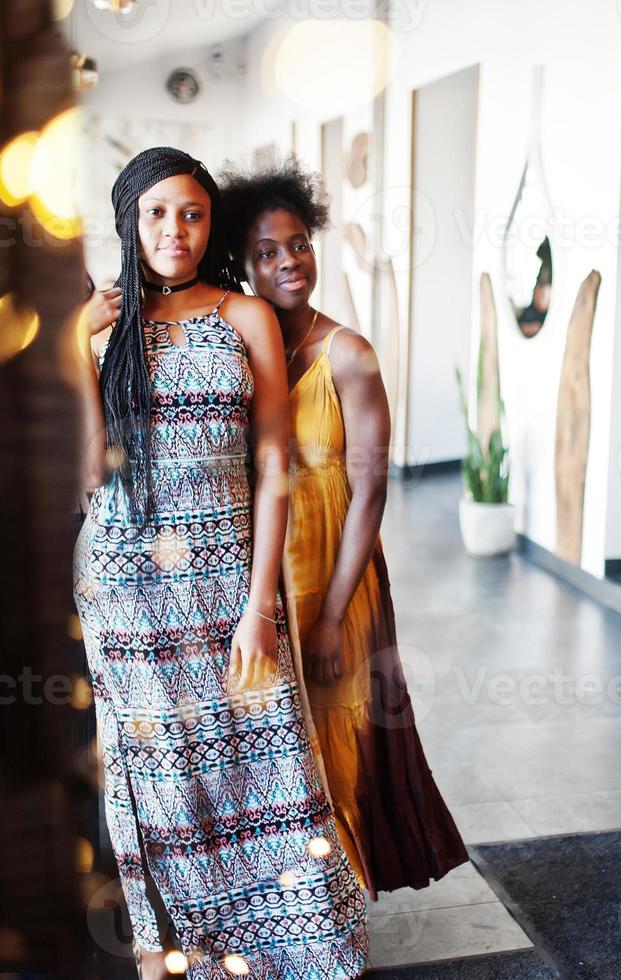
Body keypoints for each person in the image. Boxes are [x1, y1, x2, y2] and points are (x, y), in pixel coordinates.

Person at [71, 147, 367, 980]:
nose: (175, 229)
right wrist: (72, 343)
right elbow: (88, 472)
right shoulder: (101, 332)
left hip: (228, 579)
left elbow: (273, 465)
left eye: (192, 213)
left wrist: (258, 604)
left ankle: (300, 946)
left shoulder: (245, 318)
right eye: (158, 212)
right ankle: (195, 953)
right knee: (166, 775)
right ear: (131, 219)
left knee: (264, 752)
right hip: (127, 593)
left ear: (211, 225)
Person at [218, 157, 469, 900]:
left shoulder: (348, 356)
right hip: (264, 582)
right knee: (278, 747)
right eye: (267, 252)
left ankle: (339, 909)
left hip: (334, 579)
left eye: (297, 243)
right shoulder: (242, 349)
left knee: (339, 741)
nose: (288, 262)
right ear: (245, 265)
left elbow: (368, 493)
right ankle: (290, 905)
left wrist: (329, 616)